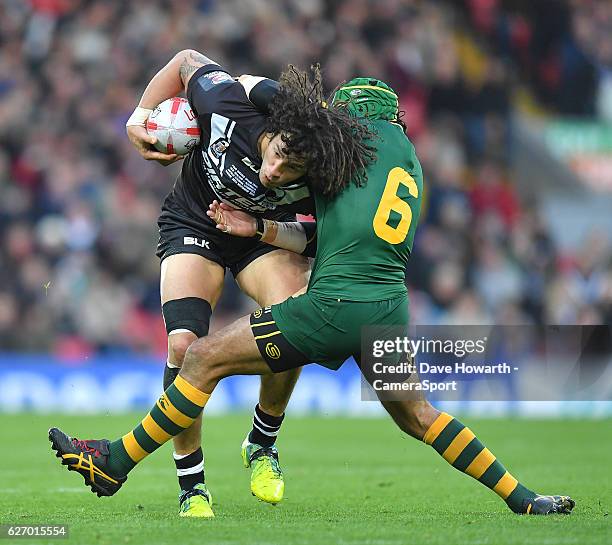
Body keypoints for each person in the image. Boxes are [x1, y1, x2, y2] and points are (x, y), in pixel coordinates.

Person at [49, 76, 574, 516]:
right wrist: (259, 225)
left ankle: (115, 463)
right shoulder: (408, 162)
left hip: (333, 307)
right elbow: (331, 233)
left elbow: (311, 220)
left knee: (201, 357)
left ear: (350, 117)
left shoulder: (337, 154)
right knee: (421, 416)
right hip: (388, 307)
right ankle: (524, 498)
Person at [120, 49, 374, 517]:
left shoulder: (325, 178)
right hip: (194, 222)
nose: (275, 172)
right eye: (277, 156)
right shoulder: (226, 106)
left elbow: (317, 242)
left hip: (261, 238)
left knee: (293, 317)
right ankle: (192, 485)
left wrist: (257, 228)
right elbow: (184, 60)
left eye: (289, 172)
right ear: (272, 131)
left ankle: (262, 442)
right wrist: (138, 119)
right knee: (182, 346)